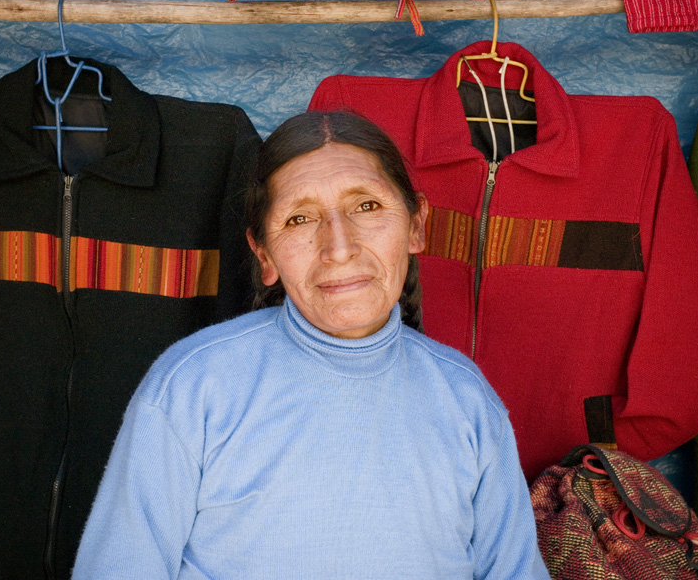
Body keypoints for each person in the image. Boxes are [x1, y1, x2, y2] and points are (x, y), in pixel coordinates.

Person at [71, 111, 550, 579]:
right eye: (300, 218)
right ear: (264, 254)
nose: (339, 247)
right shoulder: (194, 386)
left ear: (417, 225)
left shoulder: (466, 401)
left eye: (366, 206)